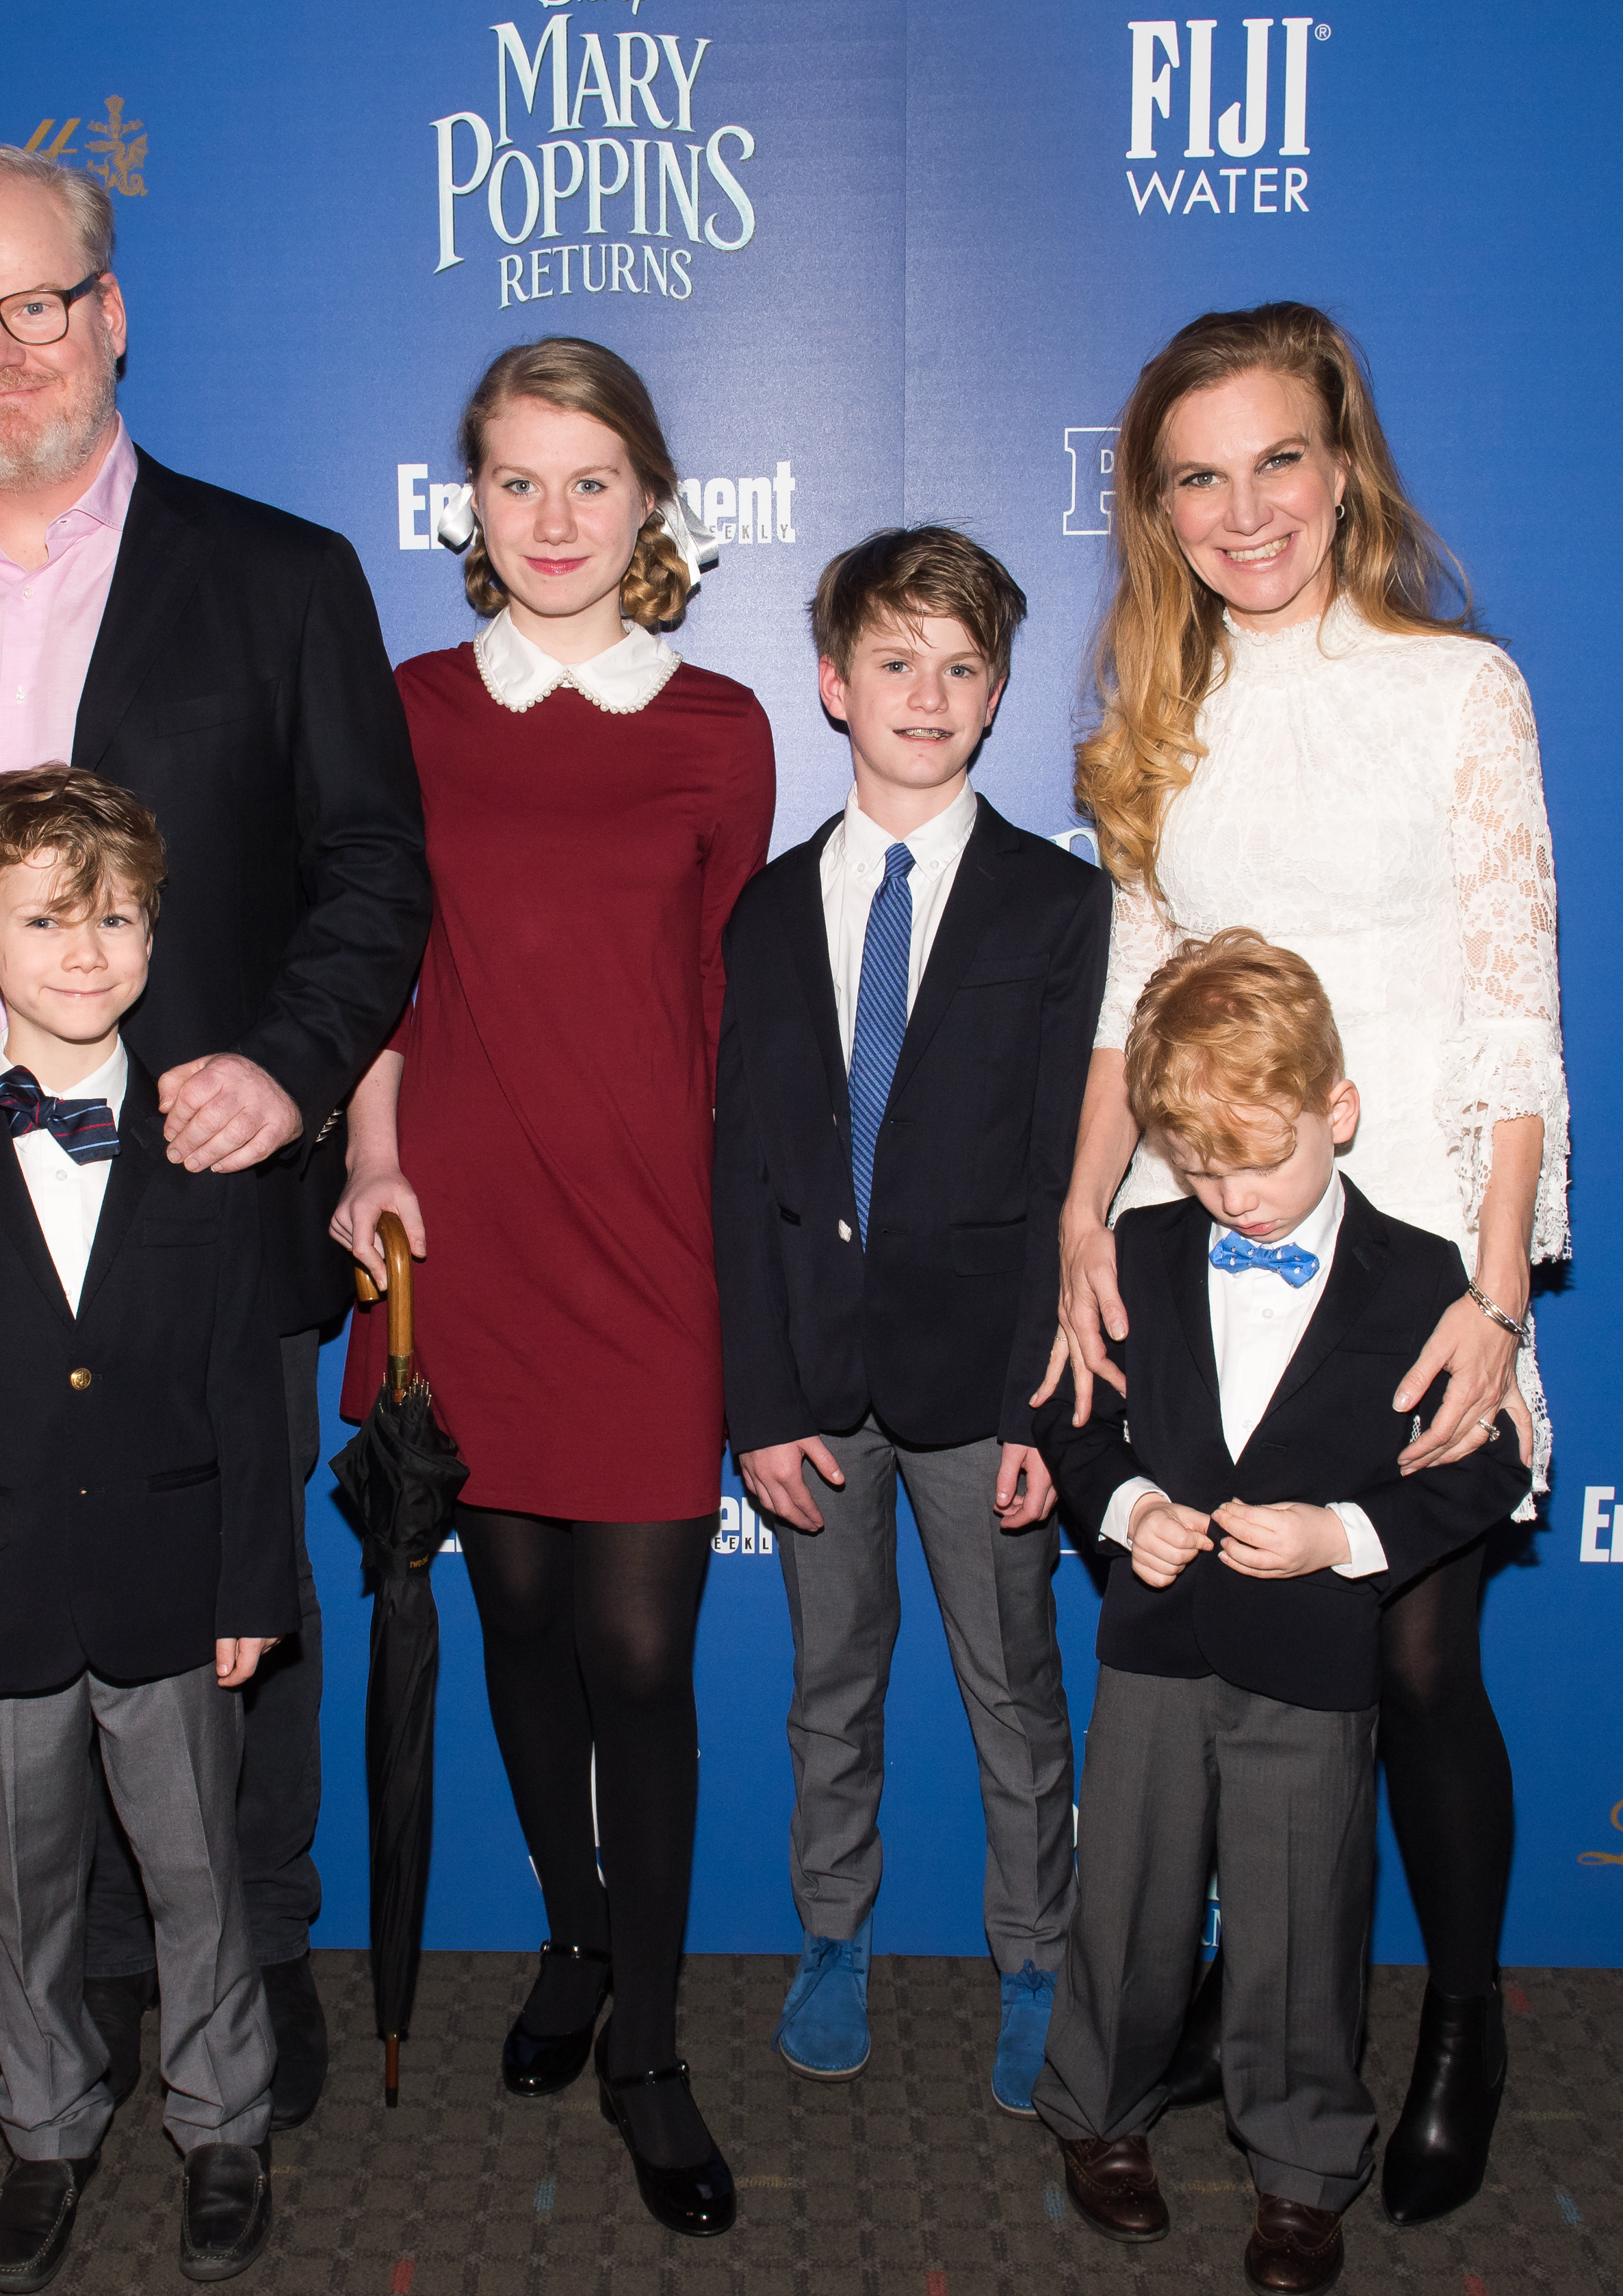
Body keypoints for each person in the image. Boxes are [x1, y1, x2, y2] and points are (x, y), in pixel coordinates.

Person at [0, 141, 430, 2122]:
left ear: (114, 309)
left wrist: (296, 1070)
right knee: (11, 1587)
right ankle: (86, 1991)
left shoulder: (284, 571)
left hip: (211, 1187)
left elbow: (376, 872)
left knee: (238, 1590)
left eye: (37, 299)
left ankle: (262, 1947)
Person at [1042, 301, 1568, 2225]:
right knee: (1215, 1647)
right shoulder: (1152, 721)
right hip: (1219, 1223)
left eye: (1277, 458)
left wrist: (1497, 1299)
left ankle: (1460, 2016)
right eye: (1198, 475)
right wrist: (1089, 1210)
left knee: (1411, 1641)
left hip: (1419, 1219)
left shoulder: (1460, 690)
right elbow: (1124, 1006)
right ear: (1155, 507)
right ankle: (1254, 2001)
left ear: (1342, 461)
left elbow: (1515, 1017)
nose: (1244, 507)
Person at [331, 337, 774, 2238]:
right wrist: (365, 1150)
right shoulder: (406, 708)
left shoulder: (727, 725)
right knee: (514, 1625)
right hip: (463, 1243)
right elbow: (369, 961)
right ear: (469, 508)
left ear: (651, 500)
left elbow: (732, 1015)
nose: (556, 518)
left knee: (647, 1659)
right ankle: (578, 1937)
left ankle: (652, 2048)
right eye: (518, 481)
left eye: (591, 479)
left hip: (656, 1248)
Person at [0, 764, 296, 2290]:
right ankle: (44, 2129)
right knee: (27, 1892)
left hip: (174, 1585)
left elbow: (248, 1390)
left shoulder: (206, 1142)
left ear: (154, 938)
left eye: (114, 917)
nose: (85, 950)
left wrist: (254, 1579)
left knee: (196, 1881)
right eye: (45, 919)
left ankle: (222, 2122)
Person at [1035, 929, 1531, 2295]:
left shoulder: (1427, 1279)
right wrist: (1130, 1511)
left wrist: (1346, 1533)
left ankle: (1303, 2167)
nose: (1233, 1196)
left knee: (1302, 1921)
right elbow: (1073, 1425)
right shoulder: (1132, 1250)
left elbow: (1488, 1464)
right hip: (1152, 1645)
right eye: (1199, 1166)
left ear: (1338, 1113)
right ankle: (1099, 2113)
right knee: (1127, 1907)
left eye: (1260, 1158)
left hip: (1315, 1660)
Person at [711, 528, 1105, 2111]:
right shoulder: (761, 908)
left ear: (996, 693)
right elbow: (737, 1170)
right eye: (893, 663)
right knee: (829, 1684)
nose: (925, 694)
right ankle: (830, 1937)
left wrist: (1039, 1405)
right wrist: (754, 1399)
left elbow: (1061, 1173)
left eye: (958, 667)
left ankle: (1034, 1958)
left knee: (1014, 1688)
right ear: (832, 683)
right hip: (811, 1378)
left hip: (982, 1381)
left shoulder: (1057, 904)